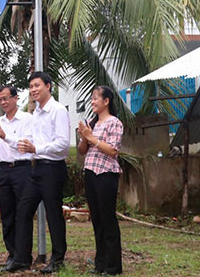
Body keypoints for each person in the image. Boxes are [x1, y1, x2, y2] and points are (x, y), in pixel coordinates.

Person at [5, 71, 70, 274]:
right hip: (37, 169)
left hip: (53, 168)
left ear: (48, 86)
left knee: (53, 215)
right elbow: (28, 141)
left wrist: (36, 149)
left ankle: (57, 259)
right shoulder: (36, 113)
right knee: (23, 210)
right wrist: (6, 138)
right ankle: (22, 258)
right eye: (31, 86)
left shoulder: (57, 110)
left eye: (37, 85)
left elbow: (63, 145)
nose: (33, 90)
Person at [0, 85, 33, 271]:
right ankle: (12, 255)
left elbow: (24, 145)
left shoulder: (27, 119)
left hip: (21, 169)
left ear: (16, 98)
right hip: (4, 171)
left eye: (6, 98)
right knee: (7, 214)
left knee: (23, 214)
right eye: (0, 99)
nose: (3, 102)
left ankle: (23, 257)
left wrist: (4, 136)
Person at [77, 86, 124, 275]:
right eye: (91, 99)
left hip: (107, 174)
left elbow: (113, 150)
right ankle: (100, 264)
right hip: (90, 172)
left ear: (106, 101)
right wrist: (83, 138)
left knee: (108, 219)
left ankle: (113, 266)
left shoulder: (115, 123)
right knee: (96, 219)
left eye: (96, 98)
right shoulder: (92, 123)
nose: (93, 102)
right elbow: (82, 151)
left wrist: (91, 138)